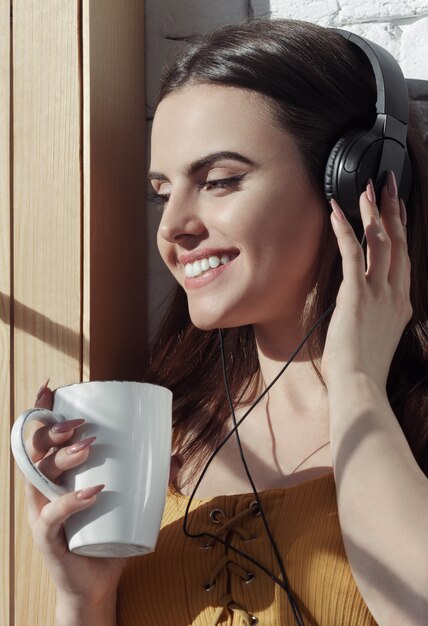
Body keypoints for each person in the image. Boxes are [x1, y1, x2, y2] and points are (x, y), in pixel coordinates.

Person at [25, 18, 427, 626]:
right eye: (164, 192)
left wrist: (357, 382)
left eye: (219, 181)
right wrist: (86, 600)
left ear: (351, 184)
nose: (173, 226)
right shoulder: (158, 435)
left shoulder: (414, 420)